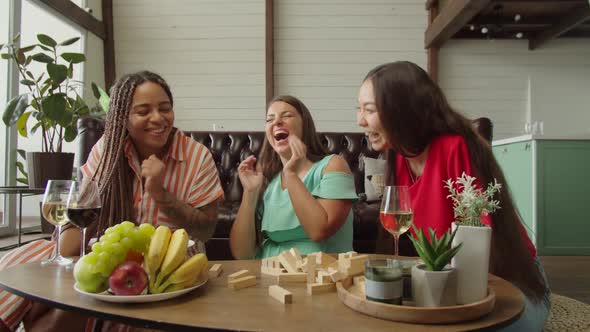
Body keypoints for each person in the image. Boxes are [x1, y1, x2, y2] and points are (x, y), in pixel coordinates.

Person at [356, 61, 550, 330]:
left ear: (402, 109)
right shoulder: (399, 157)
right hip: (449, 282)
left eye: (369, 109)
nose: (360, 120)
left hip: (508, 282)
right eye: (360, 109)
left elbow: (483, 248)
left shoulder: (454, 147)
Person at [62, 70, 224, 257]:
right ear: (122, 117)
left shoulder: (197, 156)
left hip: (175, 268)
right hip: (116, 262)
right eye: (143, 112)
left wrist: (159, 193)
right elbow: (70, 243)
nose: (157, 118)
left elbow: (206, 231)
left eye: (164, 108)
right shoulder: (108, 150)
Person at [229, 95, 357, 259]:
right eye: (270, 119)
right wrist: (250, 193)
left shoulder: (332, 165)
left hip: (321, 278)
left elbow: (319, 230)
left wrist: (290, 174)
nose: (276, 122)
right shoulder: (269, 181)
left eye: (287, 115)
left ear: (305, 125)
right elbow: (242, 255)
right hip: (269, 276)